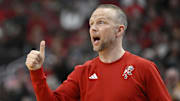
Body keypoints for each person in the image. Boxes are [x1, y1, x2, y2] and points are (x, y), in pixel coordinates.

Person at [25, 4, 171, 101]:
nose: (93, 28)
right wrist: (36, 72)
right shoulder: (82, 72)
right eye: (91, 24)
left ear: (119, 30)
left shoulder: (144, 68)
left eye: (101, 22)